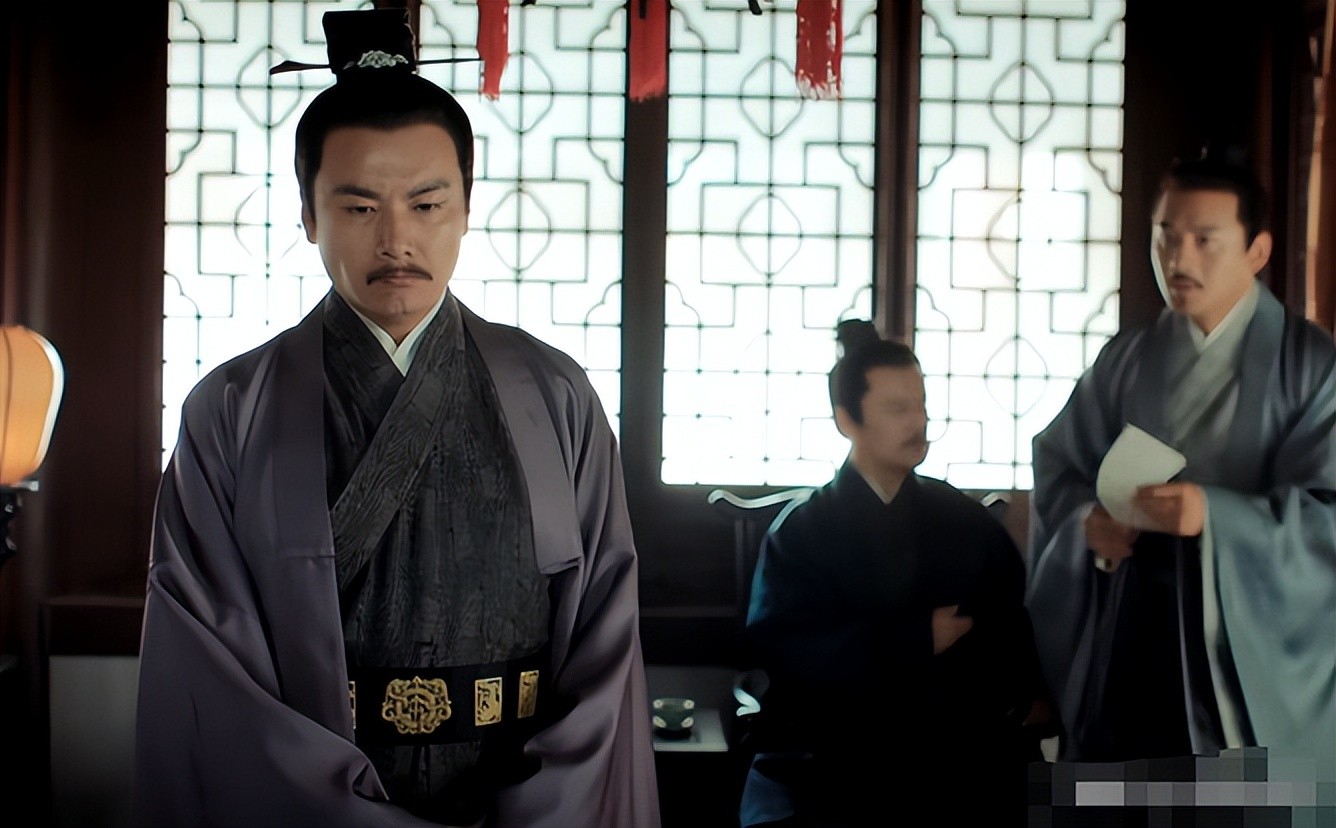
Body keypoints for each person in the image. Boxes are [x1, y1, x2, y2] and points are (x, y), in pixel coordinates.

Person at [131, 9, 661, 827]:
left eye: (426, 203)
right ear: (308, 215)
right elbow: (210, 669)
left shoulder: (554, 394)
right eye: (358, 208)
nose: (396, 240)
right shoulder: (231, 411)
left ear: (466, 207)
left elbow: (602, 640)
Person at [1025, 149, 1336, 784]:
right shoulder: (1127, 360)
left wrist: (1215, 517)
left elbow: (1327, 513)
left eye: (1204, 239)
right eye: (1165, 235)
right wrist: (1088, 524)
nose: (1177, 258)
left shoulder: (1310, 367)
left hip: (1244, 650)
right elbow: (1059, 464)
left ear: (1257, 251)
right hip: (1129, 630)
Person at [737, 321, 1050, 828]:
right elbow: (789, 650)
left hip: (953, 750)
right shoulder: (801, 533)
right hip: (837, 753)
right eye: (897, 409)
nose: (917, 422)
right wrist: (914, 641)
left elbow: (1008, 629)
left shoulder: (964, 521)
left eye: (921, 406)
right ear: (847, 419)